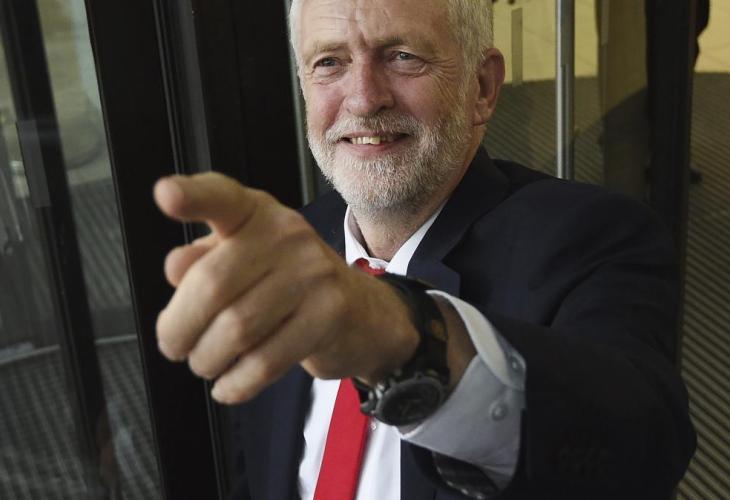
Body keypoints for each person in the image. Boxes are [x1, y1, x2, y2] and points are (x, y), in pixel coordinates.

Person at [152, 0, 695, 498]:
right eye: (329, 63)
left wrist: (405, 340)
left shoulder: (592, 239)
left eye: (402, 56)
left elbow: (641, 453)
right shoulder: (289, 251)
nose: (364, 99)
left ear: (482, 87)